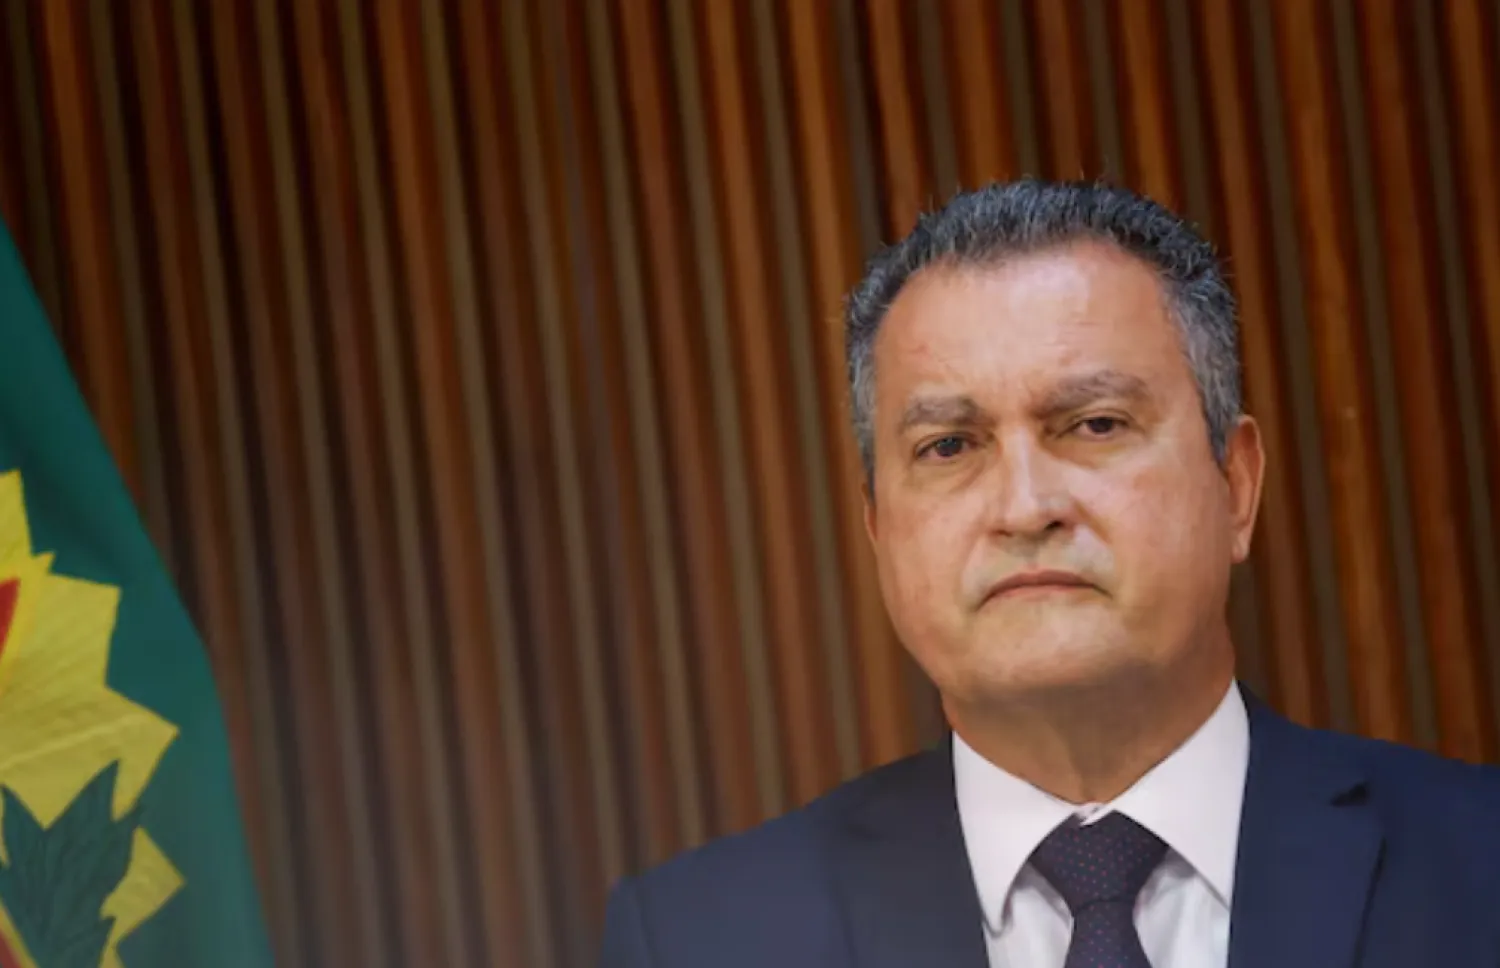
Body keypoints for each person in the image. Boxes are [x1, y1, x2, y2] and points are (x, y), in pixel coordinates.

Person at [595, 180, 1500, 968]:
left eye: (1094, 424)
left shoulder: (1479, 867)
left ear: (1237, 485)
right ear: (878, 530)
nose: (1026, 506)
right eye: (949, 445)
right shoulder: (700, 941)